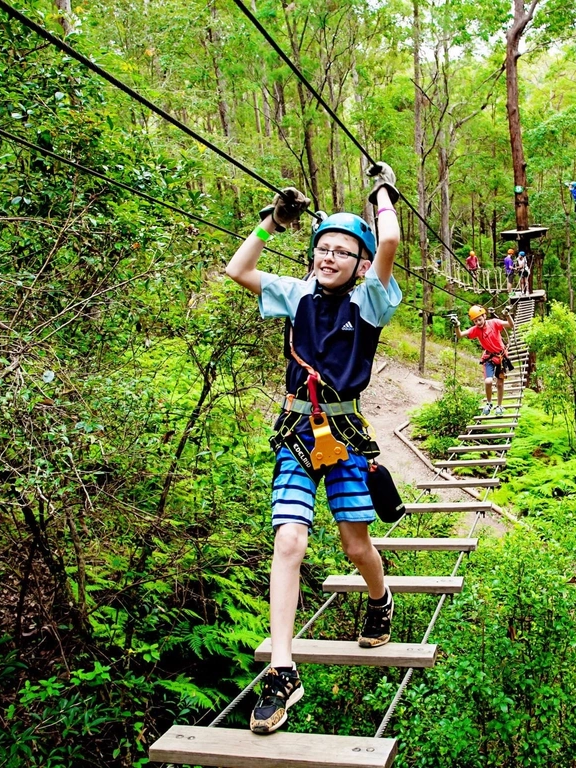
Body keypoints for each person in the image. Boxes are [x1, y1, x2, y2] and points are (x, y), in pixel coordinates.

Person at [225, 164, 402, 735]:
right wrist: (272, 222)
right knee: (289, 539)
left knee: (356, 545)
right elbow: (239, 269)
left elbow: (392, 238)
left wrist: (382, 190)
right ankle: (282, 670)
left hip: (346, 437)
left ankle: (380, 597)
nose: (328, 257)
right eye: (322, 248)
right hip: (295, 434)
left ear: (360, 264)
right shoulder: (296, 293)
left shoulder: (371, 302)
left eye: (342, 252)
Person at [451, 304, 515, 416]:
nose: (478, 323)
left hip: (501, 357)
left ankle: (499, 406)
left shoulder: (494, 323)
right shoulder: (476, 330)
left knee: (500, 384)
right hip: (489, 358)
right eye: (475, 321)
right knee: (488, 381)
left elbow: (511, 325)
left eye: (479, 320)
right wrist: (457, 326)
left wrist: (507, 315)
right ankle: (489, 403)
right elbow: (460, 335)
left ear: (484, 316)